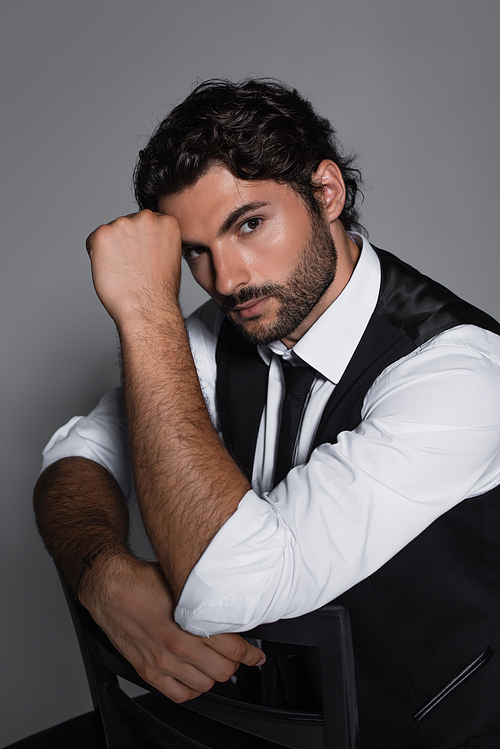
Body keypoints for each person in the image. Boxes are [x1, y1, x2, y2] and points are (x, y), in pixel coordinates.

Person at [34, 79, 500, 749]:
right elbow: (76, 457)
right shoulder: (211, 337)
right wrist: (99, 570)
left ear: (327, 193)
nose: (226, 279)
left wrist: (144, 310)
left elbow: (228, 588)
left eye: (249, 224)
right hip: (250, 722)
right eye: (194, 251)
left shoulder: (459, 372)